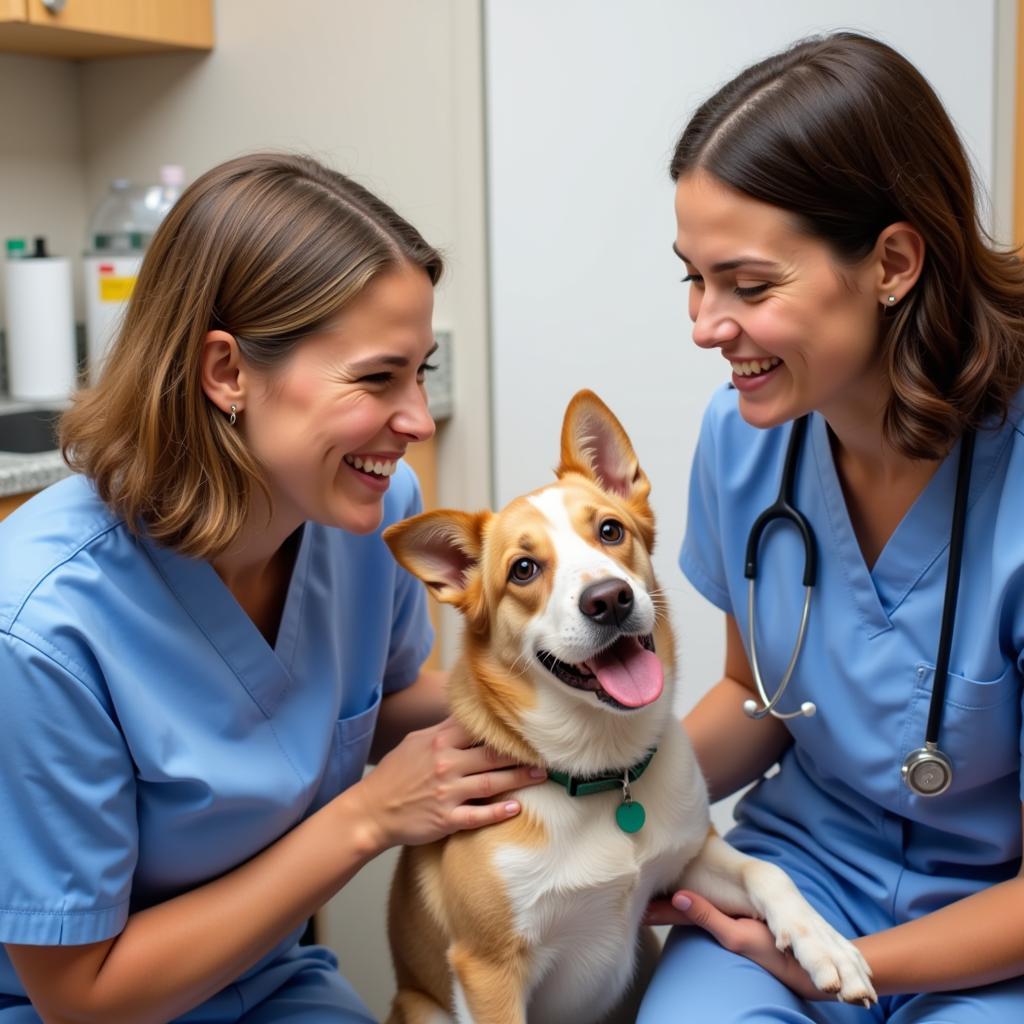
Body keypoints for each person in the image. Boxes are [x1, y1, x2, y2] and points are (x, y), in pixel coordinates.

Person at [0, 152, 545, 1023]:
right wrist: (367, 819)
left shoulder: (369, 512)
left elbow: (386, 700)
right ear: (227, 372)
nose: (413, 419)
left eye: (419, 373)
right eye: (377, 377)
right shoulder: (39, 625)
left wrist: (568, 710)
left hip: (269, 982)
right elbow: (81, 996)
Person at [638, 32, 1024, 1023]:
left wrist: (844, 962)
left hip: (990, 921)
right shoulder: (743, 437)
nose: (704, 324)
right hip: (798, 875)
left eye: (748, 285)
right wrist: (614, 797)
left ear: (891, 262)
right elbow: (754, 696)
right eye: (693, 276)